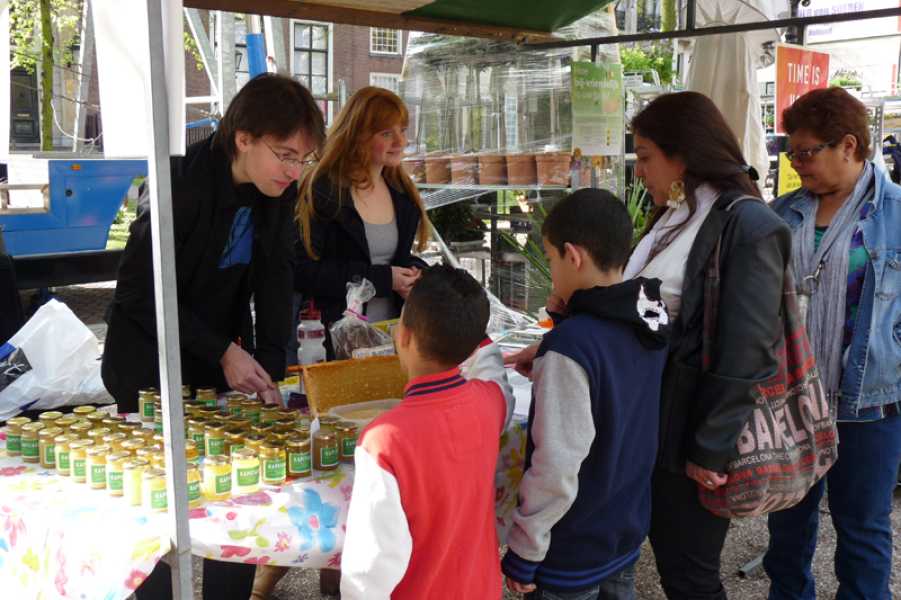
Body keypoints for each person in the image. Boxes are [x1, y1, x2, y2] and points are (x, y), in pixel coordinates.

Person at [102, 73, 325, 600]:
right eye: (285, 155)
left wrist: (270, 367)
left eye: (303, 159)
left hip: (214, 360)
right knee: (158, 502)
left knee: (240, 488)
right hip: (146, 365)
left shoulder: (274, 193)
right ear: (243, 137)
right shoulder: (177, 180)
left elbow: (276, 278)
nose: (294, 172)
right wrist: (223, 350)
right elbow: (139, 292)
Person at [627, 92, 790, 599]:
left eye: (646, 157)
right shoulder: (678, 212)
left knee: (690, 572)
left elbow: (749, 349)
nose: (640, 173)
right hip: (656, 418)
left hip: (692, 430)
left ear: (684, 154)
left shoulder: (748, 224)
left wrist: (711, 449)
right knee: (675, 561)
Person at [764, 87, 901, 600]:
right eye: (790, 152)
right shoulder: (782, 213)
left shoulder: (895, 215)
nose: (796, 163)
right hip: (790, 401)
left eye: (806, 152)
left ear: (849, 145)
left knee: (863, 530)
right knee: (787, 531)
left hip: (867, 403)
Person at [501, 189, 670, 600]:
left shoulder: (570, 348)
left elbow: (557, 463)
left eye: (551, 256)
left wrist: (526, 548)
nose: (551, 268)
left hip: (571, 547)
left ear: (573, 255)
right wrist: (561, 325)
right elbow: (613, 367)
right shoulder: (649, 317)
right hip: (624, 528)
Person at [340, 264, 514, 599]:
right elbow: (495, 376)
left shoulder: (382, 442)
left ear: (402, 336)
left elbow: (368, 570)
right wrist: (479, 339)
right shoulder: (489, 404)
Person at [295, 86, 430, 357]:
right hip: (334, 343)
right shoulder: (323, 191)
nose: (400, 142)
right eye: (386, 133)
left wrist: (415, 274)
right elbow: (303, 271)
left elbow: (397, 258)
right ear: (357, 137)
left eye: (402, 130)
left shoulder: (401, 192)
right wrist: (383, 278)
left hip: (393, 339)